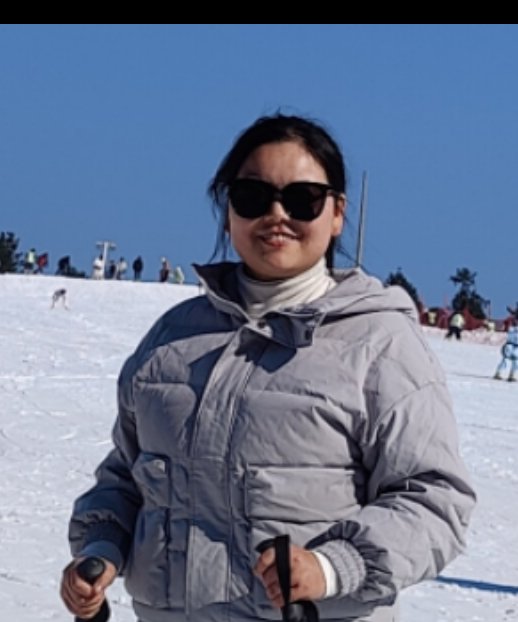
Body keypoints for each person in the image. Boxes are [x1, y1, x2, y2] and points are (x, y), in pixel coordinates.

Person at [60, 113, 476, 622]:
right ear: (228, 210)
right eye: (253, 196)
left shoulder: (380, 344)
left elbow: (433, 499)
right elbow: (127, 476)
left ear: (337, 213)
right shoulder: (172, 340)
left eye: (303, 199)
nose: (277, 214)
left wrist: (333, 567)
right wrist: (100, 549)